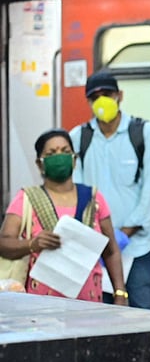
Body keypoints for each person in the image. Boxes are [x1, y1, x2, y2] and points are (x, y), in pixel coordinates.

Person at [69, 70, 150, 310]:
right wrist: (101, 238)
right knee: (100, 316)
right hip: (97, 249)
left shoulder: (145, 133)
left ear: (119, 96)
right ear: (88, 102)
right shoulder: (78, 137)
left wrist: (124, 232)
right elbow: (78, 192)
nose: (102, 101)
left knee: (145, 316)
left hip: (138, 245)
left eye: (107, 94)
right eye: (95, 97)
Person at [0, 129, 128, 304]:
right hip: (39, 305)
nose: (59, 156)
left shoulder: (94, 198)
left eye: (65, 151)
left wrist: (120, 293)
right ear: (40, 164)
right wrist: (32, 244)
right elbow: (4, 243)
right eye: (51, 153)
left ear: (74, 159)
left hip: (89, 304)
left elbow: (111, 251)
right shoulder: (27, 198)